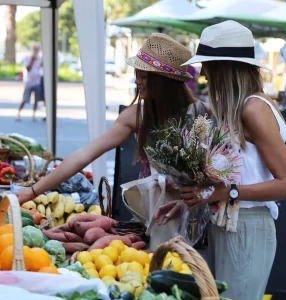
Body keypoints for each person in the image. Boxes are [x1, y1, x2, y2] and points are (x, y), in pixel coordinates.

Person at [16, 34, 207, 219]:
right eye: (137, 76)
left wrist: (196, 188)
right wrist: (32, 191)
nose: (137, 82)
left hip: (193, 211)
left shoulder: (201, 115)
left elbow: (219, 173)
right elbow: (85, 154)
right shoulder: (135, 115)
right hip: (152, 213)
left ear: (164, 83)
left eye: (144, 77)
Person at [178, 21, 286, 300]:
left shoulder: (254, 109)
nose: (203, 73)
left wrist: (227, 191)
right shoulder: (237, 108)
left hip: (247, 225)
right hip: (230, 223)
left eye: (207, 64)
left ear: (224, 66)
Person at [17, 43, 43, 121]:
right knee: (25, 98)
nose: (36, 51)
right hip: (29, 81)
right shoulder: (28, 57)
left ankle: (33, 115)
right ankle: (18, 114)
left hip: (37, 81)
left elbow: (42, 66)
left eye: (37, 49)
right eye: (35, 49)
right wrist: (32, 60)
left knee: (36, 99)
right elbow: (27, 68)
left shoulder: (40, 58)